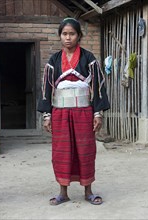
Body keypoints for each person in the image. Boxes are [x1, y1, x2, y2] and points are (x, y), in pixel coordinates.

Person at [37, 18, 110, 206]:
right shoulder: (53, 60)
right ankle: (63, 192)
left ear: (79, 36)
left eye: (72, 34)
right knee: (62, 152)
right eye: (64, 34)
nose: (68, 38)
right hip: (60, 113)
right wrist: (47, 115)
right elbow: (46, 88)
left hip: (84, 112)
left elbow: (98, 86)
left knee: (85, 150)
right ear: (60, 36)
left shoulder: (89, 58)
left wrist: (97, 113)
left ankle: (88, 191)